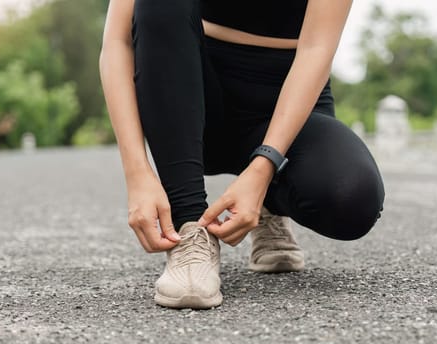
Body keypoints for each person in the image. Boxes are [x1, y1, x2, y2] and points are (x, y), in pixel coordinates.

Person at [99, 0, 385, 309]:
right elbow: (117, 42)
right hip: (192, 93)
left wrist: (266, 165)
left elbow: (317, 48)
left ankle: (269, 204)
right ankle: (189, 233)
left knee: (351, 196)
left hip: (285, 100)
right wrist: (137, 173)